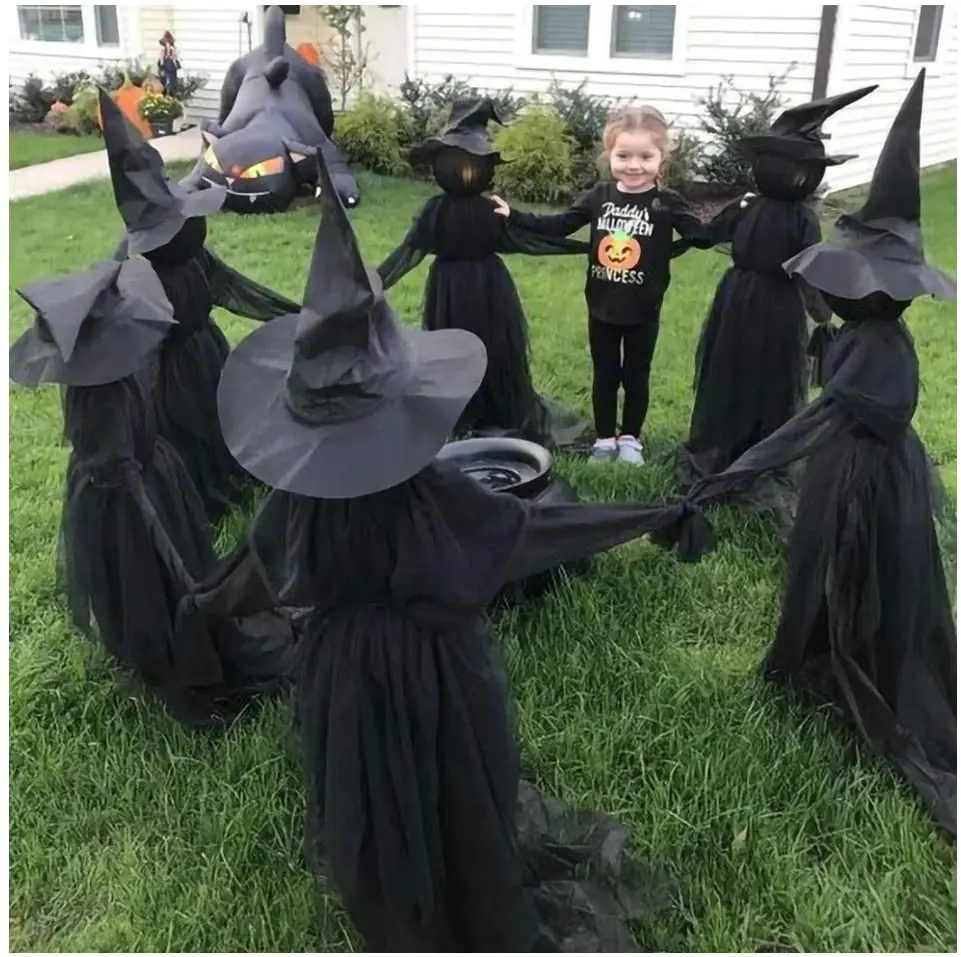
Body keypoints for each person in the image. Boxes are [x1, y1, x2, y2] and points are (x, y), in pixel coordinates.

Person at [179, 147, 714, 950]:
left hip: (340, 670)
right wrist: (652, 513)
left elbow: (254, 571)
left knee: (365, 774)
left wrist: (200, 608)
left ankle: (388, 879)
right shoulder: (436, 497)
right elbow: (534, 530)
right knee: (455, 776)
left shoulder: (293, 503)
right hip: (438, 666)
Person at [683, 70, 957, 836]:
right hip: (846, 466)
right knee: (819, 558)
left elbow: (807, 425)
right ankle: (812, 653)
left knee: (855, 567)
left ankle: (854, 667)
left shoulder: (880, 351)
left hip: (867, 479)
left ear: (880, 291)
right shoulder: (861, 334)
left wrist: (731, 474)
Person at [9, 257, 293, 729]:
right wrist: (187, 583)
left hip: (145, 476)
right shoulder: (105, 401)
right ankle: (159, 642)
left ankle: (150, 629)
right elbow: (126, 485)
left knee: (153, 574)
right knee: (145, 577)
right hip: (128, 498)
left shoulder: (106, 380)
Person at [100, 90, 300, 521]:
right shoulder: (132, 269)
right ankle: (190, 490)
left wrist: (294, 312)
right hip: (163, 374)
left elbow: (234, 288)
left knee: (218, 415)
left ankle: (227, 470)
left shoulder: (194, 258)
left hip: (205, 351)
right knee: (182, 433)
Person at [492, 105, 726, 465]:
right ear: (609, 154)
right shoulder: (599, 197)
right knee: (604, 375)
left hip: (644, 309)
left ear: (661, 158)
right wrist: (515, 216)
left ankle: (630, 439)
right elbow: (560, 225)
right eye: (624, 156)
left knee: (636, 376)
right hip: (601, 306)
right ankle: (604, 439)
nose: (634, 165)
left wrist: (738, 213)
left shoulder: (667, 203)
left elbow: (703, 237)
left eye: (645, 157)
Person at [378, 97, 591, 449]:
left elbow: (531, 239)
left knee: (493, 349)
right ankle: (462, 406)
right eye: (457, 163)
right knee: (454, 349)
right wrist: (372, 283)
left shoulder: (488, 209)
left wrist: (591, 248)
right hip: (460, 289)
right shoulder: (435, 211)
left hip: (482, 290)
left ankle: (488, 403)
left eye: (473, 163)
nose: (466, 171)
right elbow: (407, 254)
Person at [158, 30, 181, 96]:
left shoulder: (173, 49)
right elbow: (161, 59)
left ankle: (172, 93)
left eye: (168, 42)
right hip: (166, 66)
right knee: (164, 80)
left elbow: (176, 58)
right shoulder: (163, 50)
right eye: (166, 43)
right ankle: (165, 93)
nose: (167, 44)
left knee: (172, 80)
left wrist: (177, 64)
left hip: (171, 66)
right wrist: (161, 68)